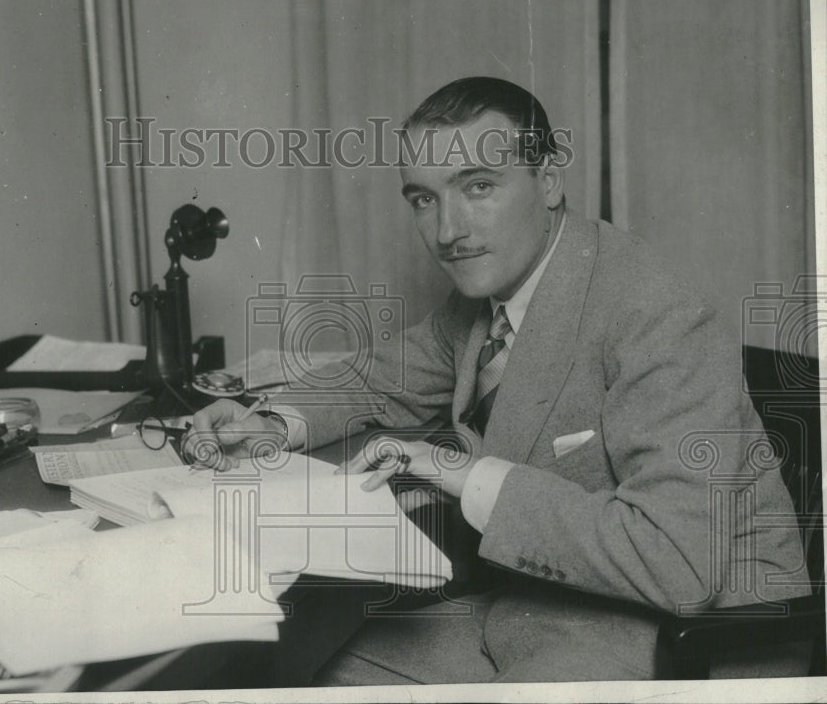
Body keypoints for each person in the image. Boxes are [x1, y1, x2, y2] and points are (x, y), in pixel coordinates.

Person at [185, 77, 808, 682]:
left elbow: (680, 564)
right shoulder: (490, 295)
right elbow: (381, 377)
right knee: (302, 666)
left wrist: (463, 472)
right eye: (424, 199)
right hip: (539, 604)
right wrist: (268, 421)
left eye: (478, 186)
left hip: (683, 640)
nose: (448, 231)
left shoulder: (653, 309)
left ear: (549, 182)